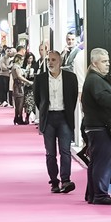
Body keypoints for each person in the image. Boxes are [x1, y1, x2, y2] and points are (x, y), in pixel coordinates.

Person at [81, 48, 111, 205]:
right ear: (94, 63)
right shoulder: (95, 80)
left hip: (97, 127)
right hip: (101, 128)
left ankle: (93, 194)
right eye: (104, 61)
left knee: (96, 162)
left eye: (108, 61)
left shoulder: (94, 79)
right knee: (102, 163)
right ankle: (100, 195)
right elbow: (105, 100)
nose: (108, 64)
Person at [33, 49, 78, 194]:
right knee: (50, 153)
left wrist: (67, 112)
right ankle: (54, 181)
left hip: (64, 117)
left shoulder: (70, 78)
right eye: (48, 60)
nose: (50, 62)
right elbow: (37, 99)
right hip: (49, 118)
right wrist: (44, 112)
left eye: (53, 60)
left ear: (60, 61)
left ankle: (66, 180)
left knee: (65, 151)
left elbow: (73, 98)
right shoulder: (40, 79)